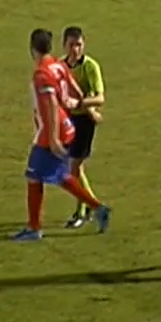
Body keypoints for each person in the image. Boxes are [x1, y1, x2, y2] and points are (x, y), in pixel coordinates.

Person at [13, 28, 111, 241]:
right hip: (63, 126)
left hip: (50, 131)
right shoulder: (58, 65)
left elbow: (49, 105)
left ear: (32, 49)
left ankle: (34, 228)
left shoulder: (42, 74)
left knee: (34, 175)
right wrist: (78, 102)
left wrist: (54, 138)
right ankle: (98, 208)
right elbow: (73, 86)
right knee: (60, 175)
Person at [60, 26, 106, 229]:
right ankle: (90, 207)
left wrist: (80, 105)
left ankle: (85, 209)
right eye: (71, 45)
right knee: (75, 168)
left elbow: (100, 98)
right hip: (67, 121)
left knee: (74, 168)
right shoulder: (60, 67)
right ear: (64, 45)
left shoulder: (90, 67)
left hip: (84, 122)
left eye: (78, 44)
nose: (75, 49)